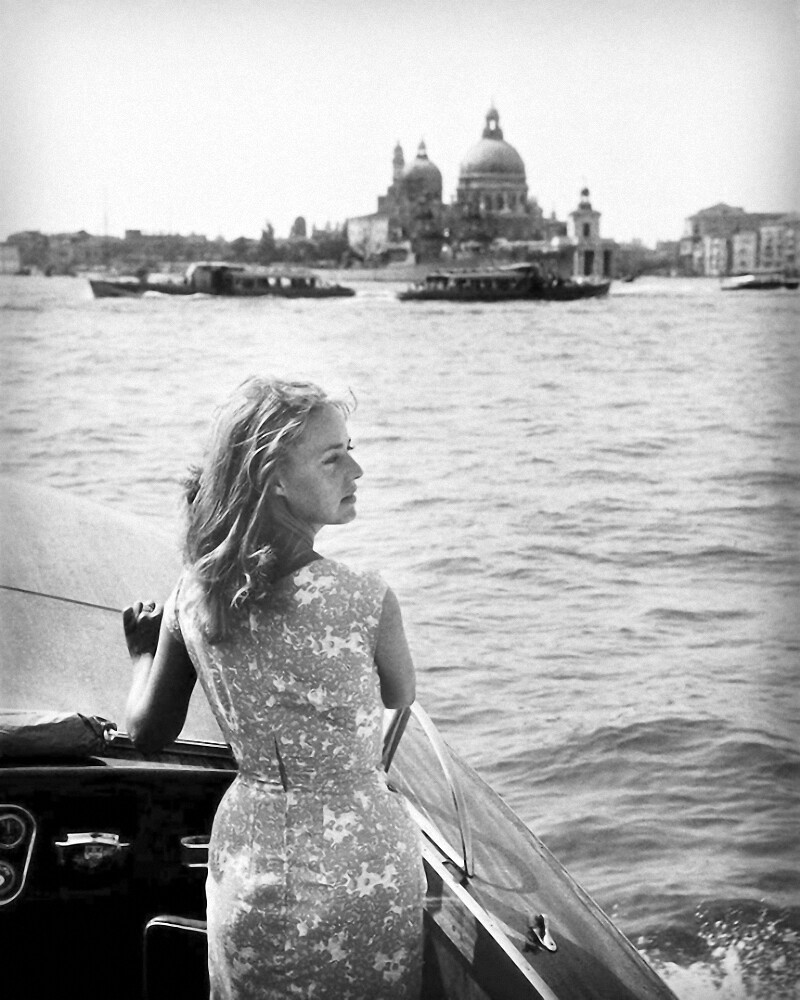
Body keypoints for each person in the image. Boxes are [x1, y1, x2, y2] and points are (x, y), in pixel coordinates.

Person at [123, 376, 425, 998]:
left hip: (250, 863)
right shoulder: (366, 598)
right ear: (275, 480)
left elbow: (146, 732)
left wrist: (142, 652)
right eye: (333, 458)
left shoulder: (193, 597)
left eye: (350, 451)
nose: (357, 470)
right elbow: (400, 696)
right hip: (365, 864)